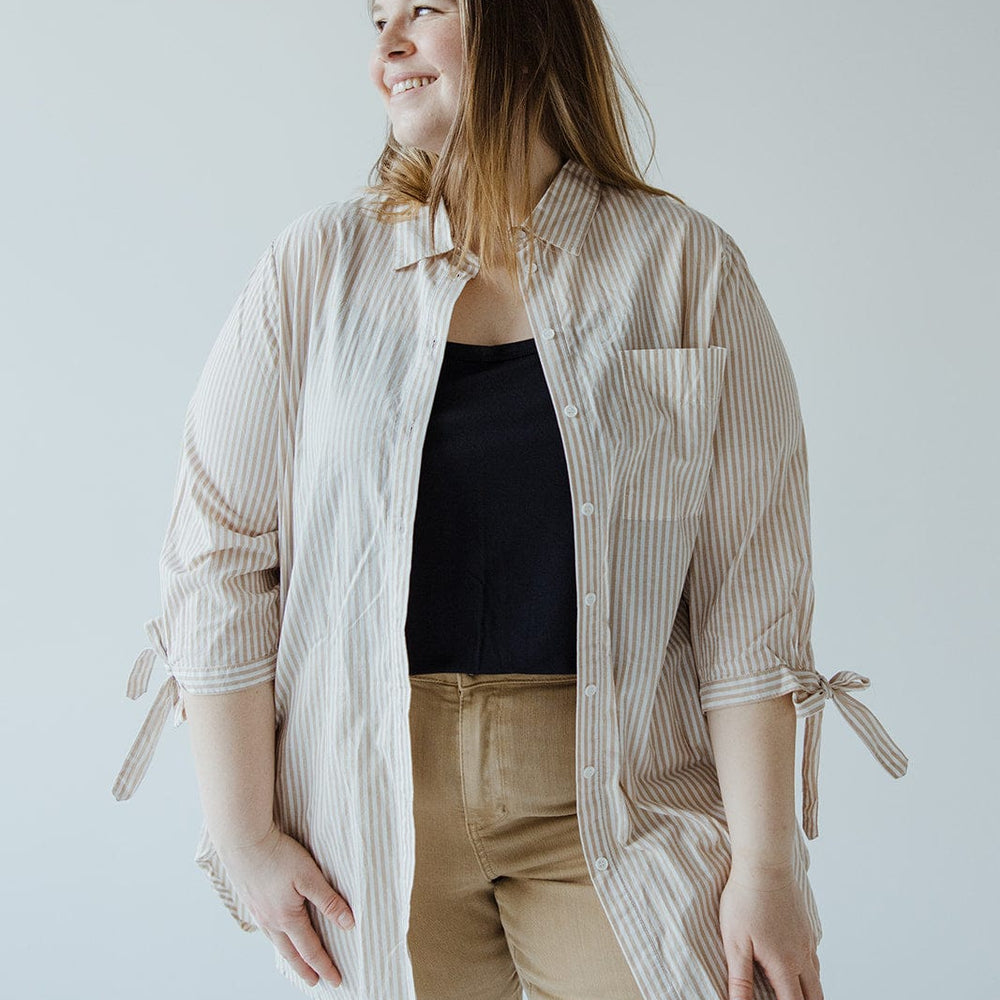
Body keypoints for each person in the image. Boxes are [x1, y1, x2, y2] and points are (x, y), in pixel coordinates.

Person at [110, 1, 910, 998]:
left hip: (620, 801)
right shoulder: (315, 269)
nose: (387, 44)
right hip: (376, 809)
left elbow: (747, 597)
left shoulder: (683, 267)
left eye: (424, 11)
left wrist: (767, 866)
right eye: (377, 20)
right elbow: (217, 551)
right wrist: (242, 833)